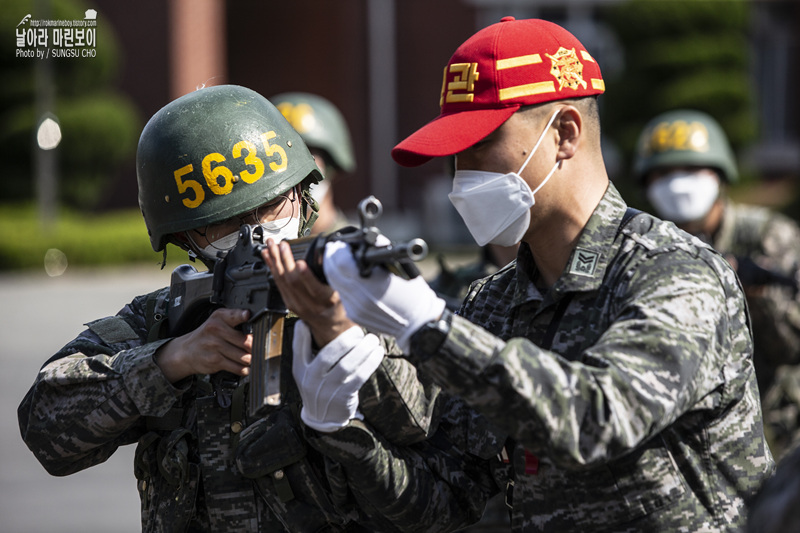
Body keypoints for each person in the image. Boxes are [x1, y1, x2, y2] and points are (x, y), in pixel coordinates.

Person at [273, 17, 775, 532]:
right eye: (455, 155)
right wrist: (337, 425)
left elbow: (595, 421)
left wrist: (428, 326)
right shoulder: (493, 301)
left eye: (480, 144)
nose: (462, 174)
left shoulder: (675, 272)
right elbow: (446, 501)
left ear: (564, 134)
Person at [17, 84, 490, 532]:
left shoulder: (364, 302)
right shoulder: (163, 320)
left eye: (271, 207)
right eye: (225, 223)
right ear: (184, 236)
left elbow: (441, 460)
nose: (258, 233)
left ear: (302, 195)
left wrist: (347, 342)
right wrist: (171, 360)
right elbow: (45, 427)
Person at [634, 109, 800, 459]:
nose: (678, 183)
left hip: (775, 432)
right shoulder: (639, 246)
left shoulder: (769, 237)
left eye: (692, 170)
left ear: (720, 174)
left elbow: (792, 346)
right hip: (683, 442)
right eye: (664, 173)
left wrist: (756, 296)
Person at [272, 92, 356, 234]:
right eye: (278, 157)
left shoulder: (353, 250)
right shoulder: (259, 247)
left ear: (331, 166)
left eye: (306, 154)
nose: (293, 168)